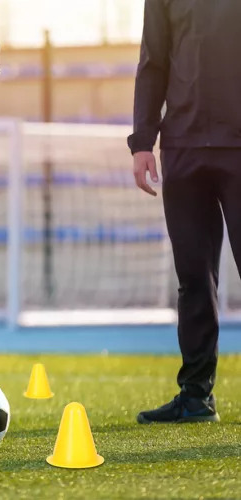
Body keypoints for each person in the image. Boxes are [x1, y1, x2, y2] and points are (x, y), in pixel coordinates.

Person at [128, 0, 241, 423]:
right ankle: (195, 397)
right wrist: (142, 140)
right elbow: (153, 60)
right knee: (193, 278)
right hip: (184, 147)